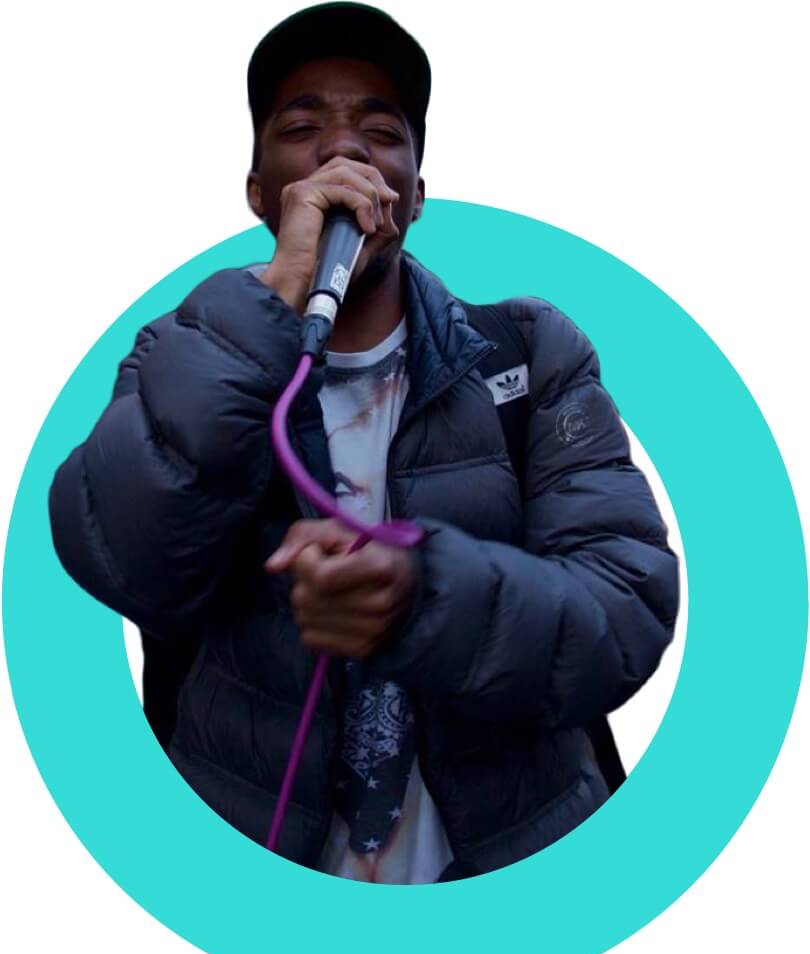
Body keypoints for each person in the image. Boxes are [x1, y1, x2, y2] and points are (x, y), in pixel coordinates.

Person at [48, 2, 679, 883]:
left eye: (381, 132)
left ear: (413, 193)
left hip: (508, 871)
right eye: (301, 128)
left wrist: (424, 598)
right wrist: (273, 301)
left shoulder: (530, 352)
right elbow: (121, 561)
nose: (343, 150)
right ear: (260, 192)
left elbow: (623, 609)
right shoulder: (181, 353)